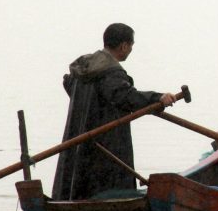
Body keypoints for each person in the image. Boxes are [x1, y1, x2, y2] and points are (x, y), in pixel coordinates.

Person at [51, 23, 177, 200]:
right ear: (124, 46)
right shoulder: (111, 72)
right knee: (110, 194)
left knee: (78, 190)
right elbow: (124, 96)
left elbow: (68, 84)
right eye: (131, 45)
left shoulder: (82, 70)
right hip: (104, 148)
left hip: (79, 145)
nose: (131, 50)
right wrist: (157, 98)